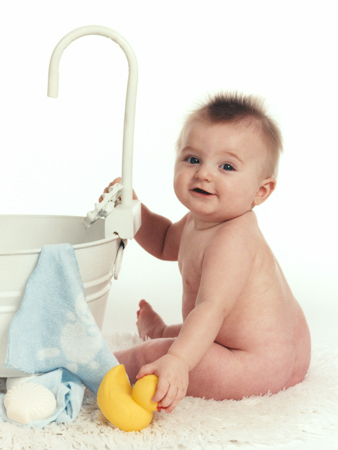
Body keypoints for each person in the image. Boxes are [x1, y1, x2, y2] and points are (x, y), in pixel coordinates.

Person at [101, 92, 311, 414]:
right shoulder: (202, 221)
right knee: (186, 335)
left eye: (226, 166)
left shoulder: (233, 239)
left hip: (253, 365)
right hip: (280, 353)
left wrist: (177, 361)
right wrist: (133, 211)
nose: (204, 174)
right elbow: (164, 241)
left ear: (261, 190)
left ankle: (88, 366)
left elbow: (212, 308)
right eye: (193, 159)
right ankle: (160, 331)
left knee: (157, 355)